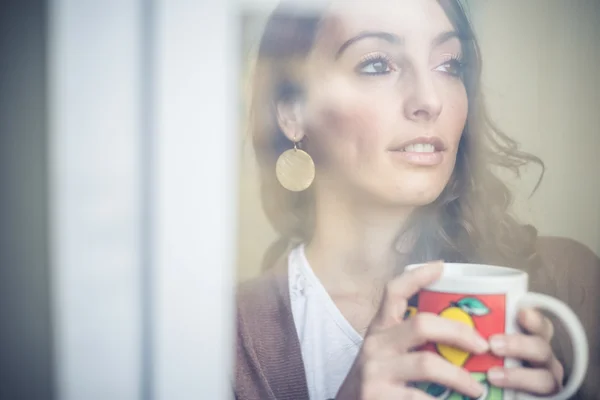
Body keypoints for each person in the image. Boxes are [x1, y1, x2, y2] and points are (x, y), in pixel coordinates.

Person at [234, 1, 600, 399]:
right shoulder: (224, 338)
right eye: (377, 64)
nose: (430, 100)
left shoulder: (568, 284)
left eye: (449, 65)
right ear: (292, 112)